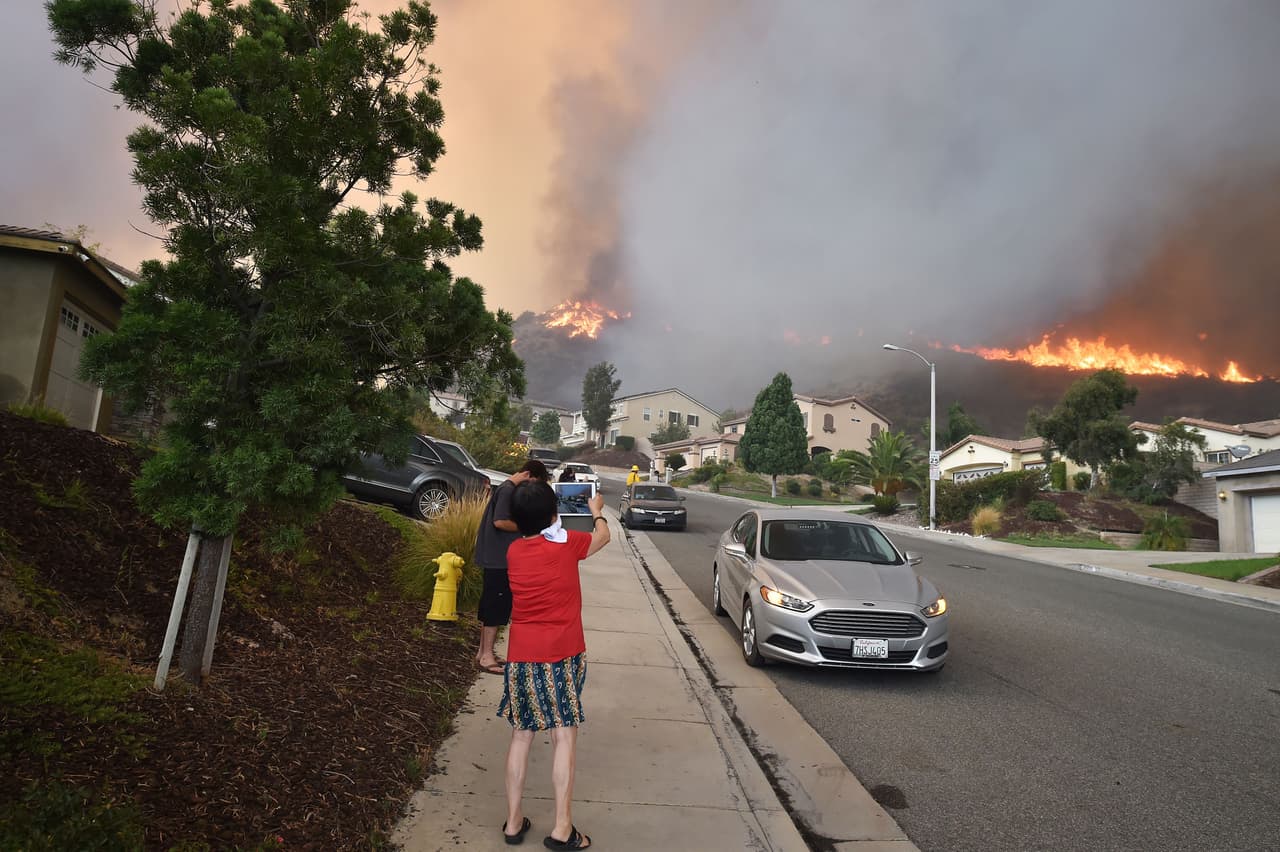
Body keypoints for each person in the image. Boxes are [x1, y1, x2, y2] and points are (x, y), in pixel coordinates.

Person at [498, 481, 608, 849]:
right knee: (563, 736)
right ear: (553, 514)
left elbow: (538, 535)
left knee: (521, 734)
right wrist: (596, 511)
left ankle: (513, 823)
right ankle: (562, 828)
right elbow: (602, 537)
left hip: (520, 657)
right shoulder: (568, 545)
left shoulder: (514, 552)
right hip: (561, 654)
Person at [474, 459, 550, 674]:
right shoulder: (508, 490)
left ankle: (483, 653)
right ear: (528, 475)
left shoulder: (506, 489)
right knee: (496, 607)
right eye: (534, 483)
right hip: (498, 559)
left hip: (496, 557)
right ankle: (486, 656)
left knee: (492, 605)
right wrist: (529, 527)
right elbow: (500, 521)